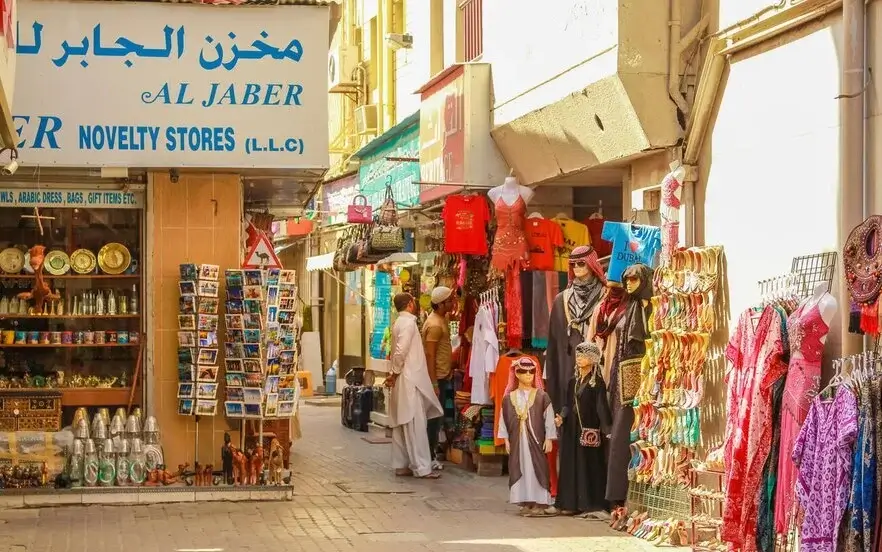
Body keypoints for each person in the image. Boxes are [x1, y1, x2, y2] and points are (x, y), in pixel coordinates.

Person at [387, 292, 443, 479]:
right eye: (415, 302)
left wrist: (395, 373)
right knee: (414, 423)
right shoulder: (409, 324)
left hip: (405, 378)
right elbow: (400, 351)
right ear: (410, 304)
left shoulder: (399, 323)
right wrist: (395, 372)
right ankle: (421, 467)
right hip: (409, 379)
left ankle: (402, 464)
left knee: (404, 422)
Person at [554, 341, 612, 518]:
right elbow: (567, 404)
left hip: (589, 430)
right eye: (578, 356)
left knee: (589, 466)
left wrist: (606, 428)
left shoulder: (597, 384)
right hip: (572, 429)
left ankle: (590, 504)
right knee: (571, 465)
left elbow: (601, 407)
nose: (579, 359)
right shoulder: (573, 382)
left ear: (593, 359)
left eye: (584, 356)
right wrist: (561, 417)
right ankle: (570, 504)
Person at [498, 356, 558, 517]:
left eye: (532, 371)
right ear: (516, 374)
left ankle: (539, 503)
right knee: (519, 467)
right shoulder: (508, 398)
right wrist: (505, 440)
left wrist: (549, 438)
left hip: (536, 440)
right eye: (523, 371)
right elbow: (503, 420)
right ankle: (525, 501)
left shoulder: (542, 396)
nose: (528, 375)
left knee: (538, 468)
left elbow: (549, 419)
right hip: (517, 441)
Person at [422, 285, 455, 470]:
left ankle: (431, 452)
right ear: (442, 304)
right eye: (450, 301)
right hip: (437, 378)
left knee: (438, 416)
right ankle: (429, 454)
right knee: (434, 418)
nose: (453, 303)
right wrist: (434, 381)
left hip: (442, 375)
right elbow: (430, 355)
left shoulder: (441, 319)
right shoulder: (434, 325)